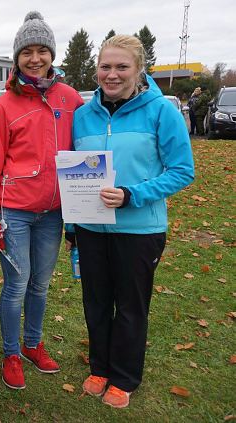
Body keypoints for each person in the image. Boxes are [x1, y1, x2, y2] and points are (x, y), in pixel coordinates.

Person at [69, 34, 194, 409]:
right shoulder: (82, 115)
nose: (112, 74)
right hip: (91, 229)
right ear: (96, 70)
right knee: (95, 301)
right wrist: (72, 226)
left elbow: (182, 171)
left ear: (139, 69)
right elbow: (74, 173)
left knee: (130, 305)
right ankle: (100, 368)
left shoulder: (161, 111)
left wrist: (132, 195)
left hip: (140, 230)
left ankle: (124, 377)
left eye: (122, 66)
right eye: (105, 66)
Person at [0, 11, 83, 390]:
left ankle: (33, 344)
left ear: (52, 55)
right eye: (27, 52)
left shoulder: (70, 99)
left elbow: (86, 151)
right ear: (16, 57)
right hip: (15, 212)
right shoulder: (4, 105)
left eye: (42, 51)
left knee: (41, 283)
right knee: (17, 283)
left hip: (53, 213)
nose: (35, 58)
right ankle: (10, 352)